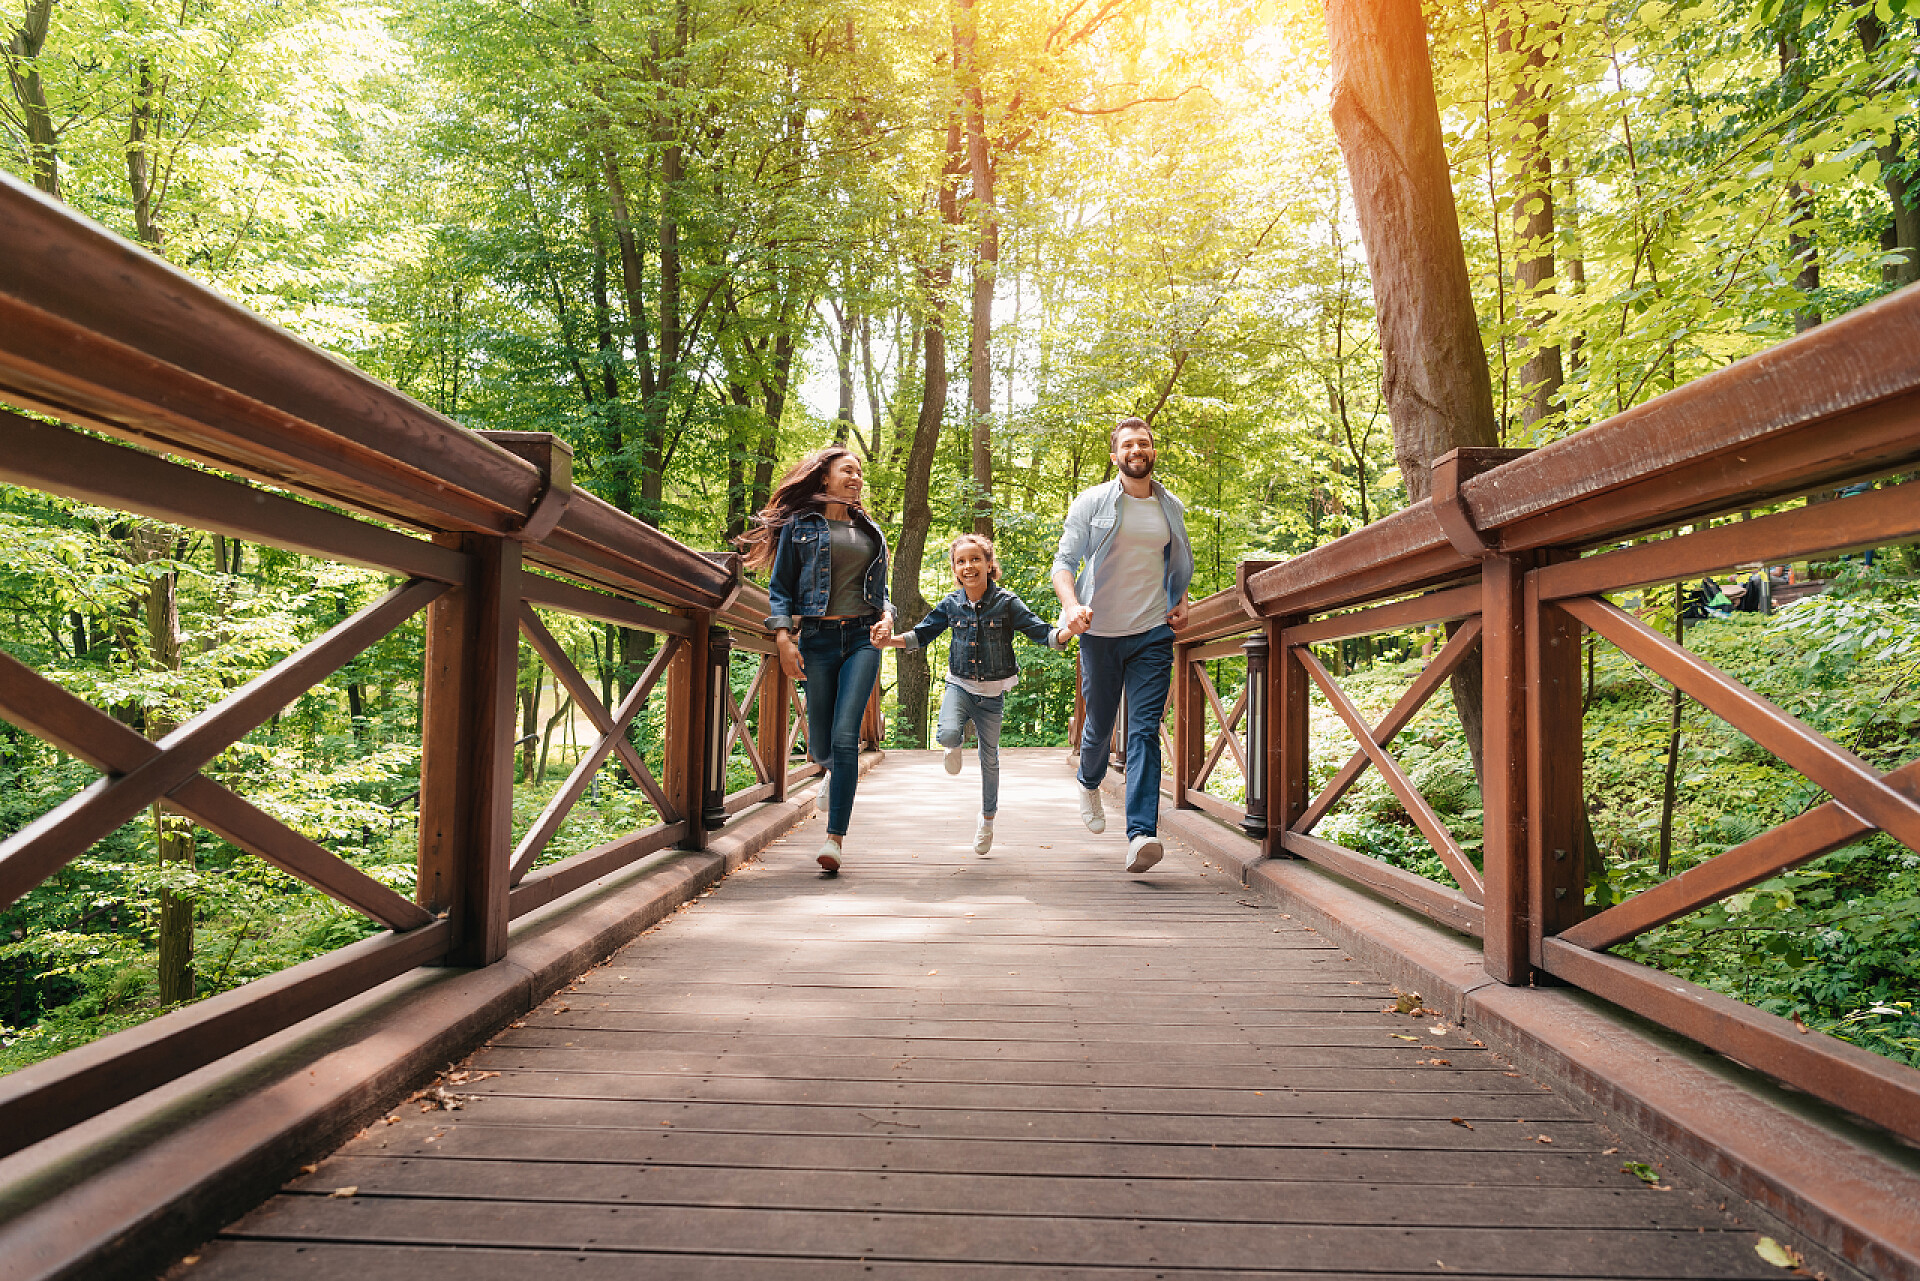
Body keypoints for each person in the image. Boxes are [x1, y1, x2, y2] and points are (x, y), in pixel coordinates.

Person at [876, 534, 1087, 855]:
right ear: (954, 569)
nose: (968, 566)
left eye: (975, 559)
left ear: (989, 565)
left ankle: (987, 821)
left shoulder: (1007, 603)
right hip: (959, 685)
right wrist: (887, 642)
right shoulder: (951, 604)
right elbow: (921, 635)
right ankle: (954, 743)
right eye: (961, 561)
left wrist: (1071, 629)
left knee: (990, 759)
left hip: (992, 694)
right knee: (947, 734)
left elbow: (1044, 633)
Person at [1052, 416, 1194, 873]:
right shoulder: (1093, 502)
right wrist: (1072, 607)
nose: (1137, 450)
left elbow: (1176, 560)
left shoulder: (1170, 506)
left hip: (1151, 632)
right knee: (1099, 724)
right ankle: (1088, 780)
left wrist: (1181, 600)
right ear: (1115, 455)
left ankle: (1141, 835)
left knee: (1143, 730)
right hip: (1100, 633)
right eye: (1128, 444)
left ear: (1153, 451)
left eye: (1143, 443)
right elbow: (1064, 562)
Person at [740, 446, 891, 875]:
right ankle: (832, 772)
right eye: (848, 470)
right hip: (817, 640)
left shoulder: (871, 531)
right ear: (824, 477)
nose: (856, 478)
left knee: (844, 738)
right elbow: (781, 588)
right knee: (821, 746)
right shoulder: (799, 527)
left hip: (862, 639)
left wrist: (887, 618)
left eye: (859, 472)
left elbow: (881, 593)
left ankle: (834, 839)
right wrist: (783, 638)